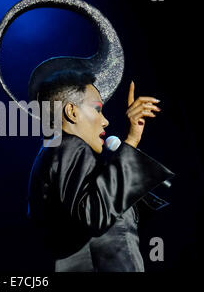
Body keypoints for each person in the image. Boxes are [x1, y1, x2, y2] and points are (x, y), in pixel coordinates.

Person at [27, 70, 174, 272]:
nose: (105, 121)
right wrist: (130, 142)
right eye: (97, 109)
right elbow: (94, 215)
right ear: (72, 112)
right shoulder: (68, 146)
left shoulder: (55, 153)